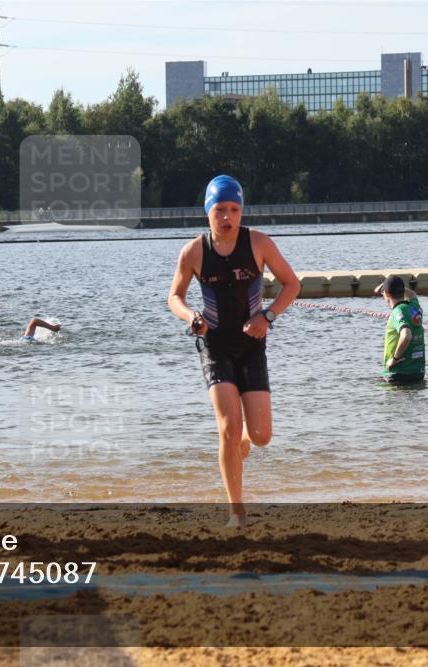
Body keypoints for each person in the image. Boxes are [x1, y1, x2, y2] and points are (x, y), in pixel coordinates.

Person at [167, 175, 300, 528]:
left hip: (252, 344)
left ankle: (245, 437)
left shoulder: (258, 243)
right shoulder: (194, 251)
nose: (227, 217)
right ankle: (236, 511)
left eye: (234, 210)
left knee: (260, 436)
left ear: (241, 212)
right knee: (227, 426)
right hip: (214, 345)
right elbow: (174, 297)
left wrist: (268, 316)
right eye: (220, 210)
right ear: (208, 212)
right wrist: (191, 316)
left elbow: (292, 283)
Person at [375, 276, 425, 383]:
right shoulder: (414, 307)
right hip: (417, 373)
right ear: (402, 291)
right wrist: (396, 287)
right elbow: (412, 294)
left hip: (398, 373)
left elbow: (406, 336)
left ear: (387, 294)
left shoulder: (397, 312)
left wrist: (394, 359)